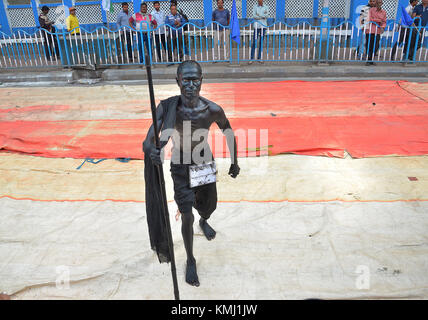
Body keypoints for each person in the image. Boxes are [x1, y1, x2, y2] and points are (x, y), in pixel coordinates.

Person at [143, 60, 240, 286]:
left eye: (195, 79)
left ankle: (204, 220)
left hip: (204, 164)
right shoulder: (167, 108)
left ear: (201, 81)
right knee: (187, 214)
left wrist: (235, 162)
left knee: (208, 206)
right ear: (177, 81)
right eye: (185, 80)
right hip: (180, 165)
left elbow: (229, 131)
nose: (190, 85)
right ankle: (191, 259)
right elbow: (148, 140)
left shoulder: (212, 109)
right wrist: (153, 151)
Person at [365, 0, 386, 65]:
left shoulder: (383, 12)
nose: (379, 4)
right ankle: (368, 60)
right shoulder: (371, 10)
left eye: (380, 3)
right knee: (369, 45)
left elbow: (384, 21)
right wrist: (379, 20)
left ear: (382, 4)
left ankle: (371, 59)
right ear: (376, 4)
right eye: (377, 3)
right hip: (370, 30)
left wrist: (383, 27)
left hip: (378, 31)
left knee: (376, 46)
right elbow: (369, 19)